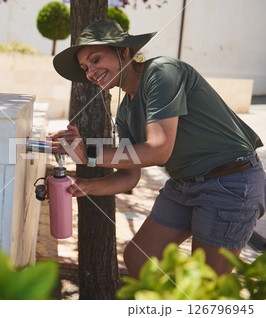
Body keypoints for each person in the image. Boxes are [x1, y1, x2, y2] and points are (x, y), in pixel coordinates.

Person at [48, 19, 265, 278]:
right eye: (85, 68)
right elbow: (130, 175)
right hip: (184, 184)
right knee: (140, 257)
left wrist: (89, 154)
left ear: (123, 51)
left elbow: (158, 149)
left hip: (229, 182)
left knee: (206, 283)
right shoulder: (126, 110)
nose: (91, 72)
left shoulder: (162, 72)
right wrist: (85, 185)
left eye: (95, 60)